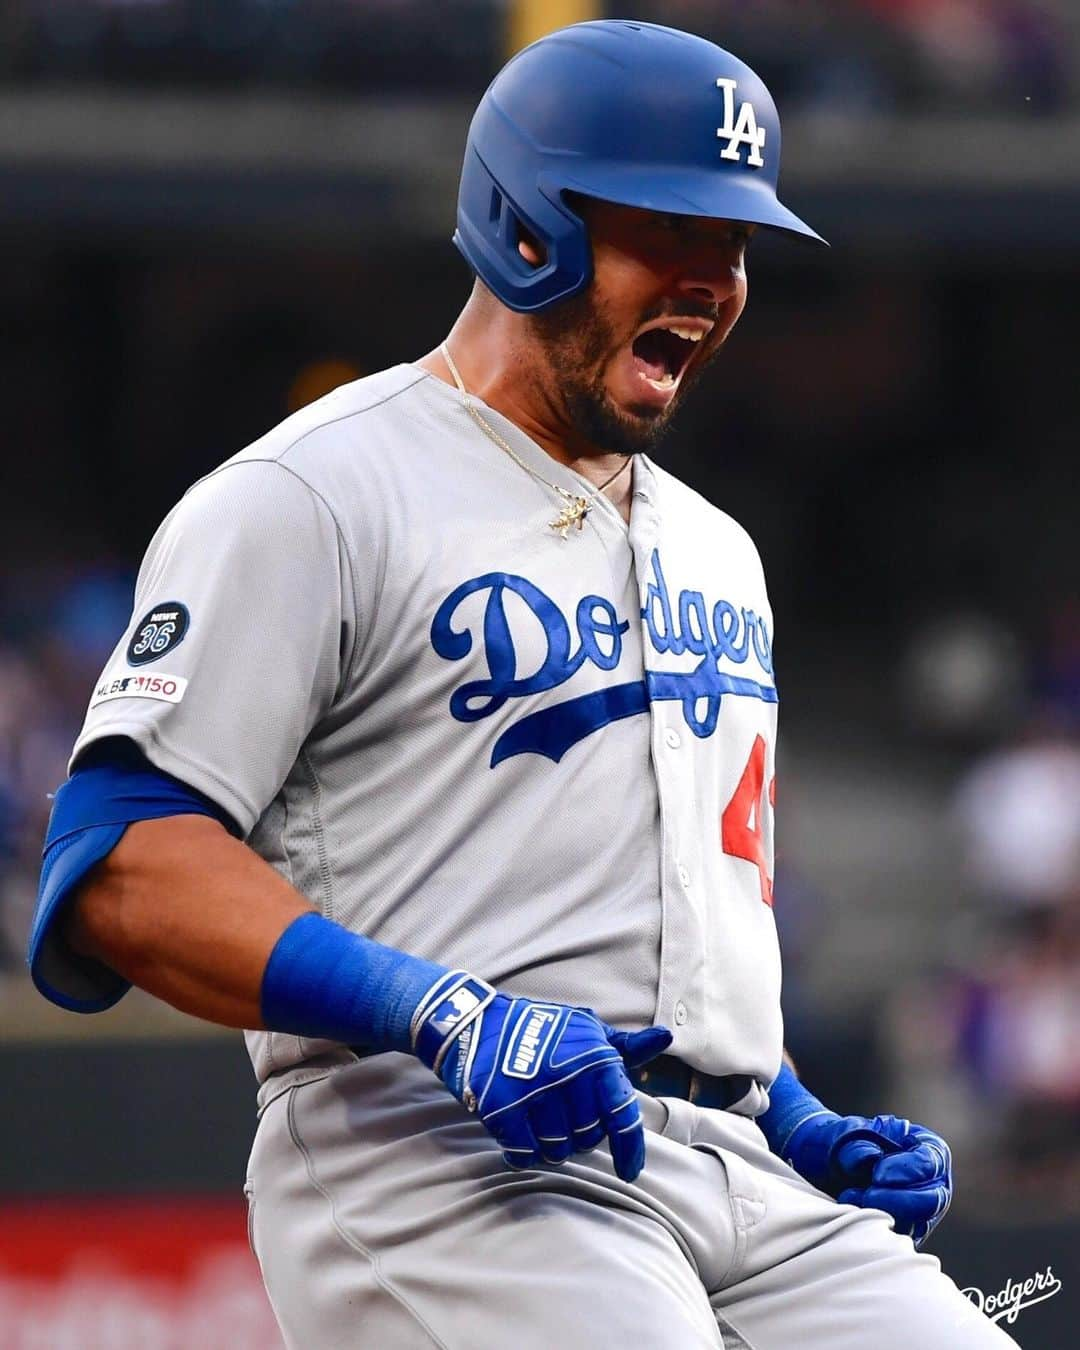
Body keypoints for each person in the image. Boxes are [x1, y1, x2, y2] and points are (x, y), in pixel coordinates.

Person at [28, 21, 1015, 1349]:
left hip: (738, 1177)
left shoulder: (717, 548)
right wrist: (436, 1012)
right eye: (675, 230)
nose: (717, 280)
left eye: (736, 246)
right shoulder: (314, 491)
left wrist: (798, 1116)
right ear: (530, 223)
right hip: (436, 1146)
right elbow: (115, 863)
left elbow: (651, 928)